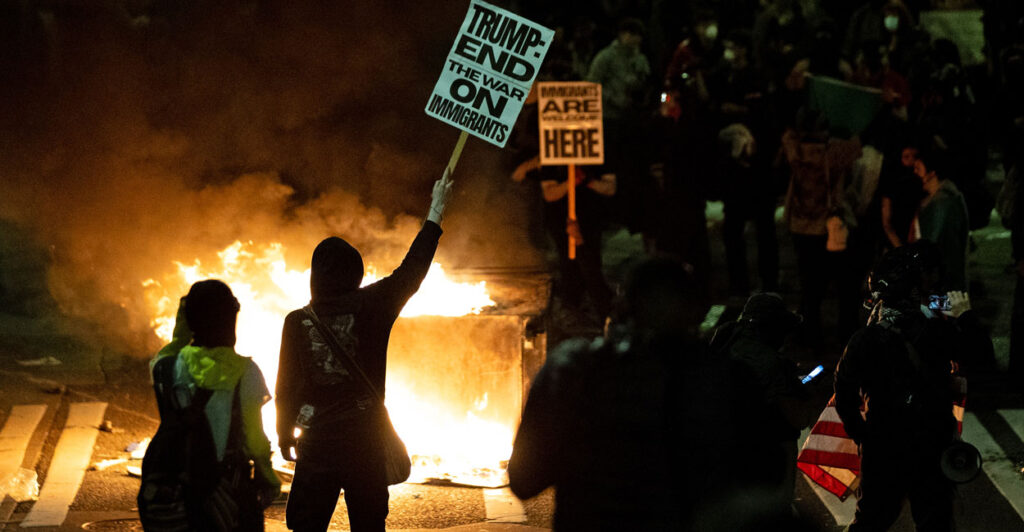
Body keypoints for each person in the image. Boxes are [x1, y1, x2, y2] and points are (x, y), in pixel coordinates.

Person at [274, 168, 452, 532]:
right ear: (355, 273)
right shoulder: (374, 306)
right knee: (369, 526)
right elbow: (411, 270)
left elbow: (286, 386)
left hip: (317, 443)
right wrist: (435, 212)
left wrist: (283, 432)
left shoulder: (297, 320)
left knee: (307, 527)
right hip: (365, 444)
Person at [508, 258, 742, 530]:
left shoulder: (572, 368)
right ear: (695, 312)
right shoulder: (723, 378)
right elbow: (754, 487)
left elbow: (525, 480)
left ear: (622, 307)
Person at [834, 244, 987, 531]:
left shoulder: (864, 339)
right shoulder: (936, 333)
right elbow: (982, 356)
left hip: (882, 444)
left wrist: (865, 437)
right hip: (930, 443)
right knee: (934, 522)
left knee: (871, 520)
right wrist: (964, 314)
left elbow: (844, 396)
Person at [147, 280, 281, 531]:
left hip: (177, 495)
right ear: (230, 319)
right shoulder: (246, 373)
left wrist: (183, 328)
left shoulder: (166, 368)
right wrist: (268, 476)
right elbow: (254, 439)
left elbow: (169, 350)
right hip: (227, 494)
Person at [709, 292, 812, 517]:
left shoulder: (726, 339)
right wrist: (799, 389)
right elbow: (799, 418)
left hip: (722, 452)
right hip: (764, 458)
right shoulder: (772, 364)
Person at [780, 107, 862, 345]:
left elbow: (787, 134)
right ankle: (846, 332)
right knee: (845, 282)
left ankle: (810, 333)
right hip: (829, 226)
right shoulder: (835, 152)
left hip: (800, 225)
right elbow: (858, 143)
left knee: (810, 284)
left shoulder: (793, 149)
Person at [911, 148, 970, 291]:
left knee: (943, 311)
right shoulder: (944, 198)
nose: (915, 172)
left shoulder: (941, 203)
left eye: (918, 168)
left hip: (943, 282)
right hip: (945, 280)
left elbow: (931, 242)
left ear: (932, 173)